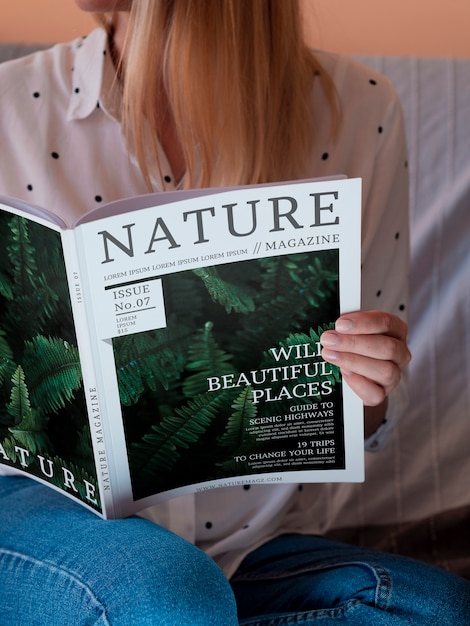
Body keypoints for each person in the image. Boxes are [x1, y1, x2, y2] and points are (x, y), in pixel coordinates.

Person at [0, 1, 468, 624]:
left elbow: (364, 418)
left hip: (250, 549)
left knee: (435, 608)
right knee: (168, 597)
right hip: (47, 521)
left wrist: (370, 381)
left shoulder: (362, 110)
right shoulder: (10, 107)